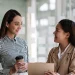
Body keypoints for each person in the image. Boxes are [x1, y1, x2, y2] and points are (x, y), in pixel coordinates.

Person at [0, 9, 28, 75]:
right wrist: (11, 71)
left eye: (21, 24)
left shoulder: (23, 42)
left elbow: (28, 64)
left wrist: (27, 66)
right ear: (7, 24)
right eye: (16, 24)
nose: (20, 27)